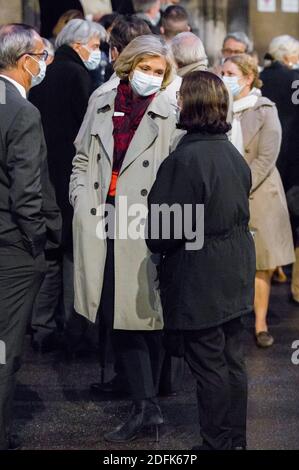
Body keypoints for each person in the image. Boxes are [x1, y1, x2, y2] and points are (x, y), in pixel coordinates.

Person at [70, 35, 178, 442]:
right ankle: (145, 402)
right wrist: (81, 198)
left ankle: (146, 403)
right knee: (120, 313)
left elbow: (175, 172)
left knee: (143, 315)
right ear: (128, 64)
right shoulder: (101, 99)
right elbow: (81, 157)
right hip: (103, 217)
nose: (150, 77)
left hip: (147, 223)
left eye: (158, 72)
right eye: (145, 68)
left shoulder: (170, 111)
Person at [146, 71, 256, 451]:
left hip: (201, 277)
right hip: (235, 269)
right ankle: (235, 440)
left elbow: (161, 233)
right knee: (232, 361)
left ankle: (215, 443)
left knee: (208, 365)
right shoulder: (231, 154)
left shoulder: (184, 160)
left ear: (188, 106)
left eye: (179, 98)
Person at [0, 23, 61, 450]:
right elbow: (27, 191)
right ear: (26, 62)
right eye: (42, 55)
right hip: (13, 247)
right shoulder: (23, 112)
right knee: (5, 347)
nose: (45, 62)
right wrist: (38, 240)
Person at [29, 19, 106, 352]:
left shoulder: (45, 71)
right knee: (73, 254)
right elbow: (86, 131)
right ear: (79, 45)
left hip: (45, 174)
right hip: (69, 175)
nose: (98, 52)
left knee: (49, 255)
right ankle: (75, 330)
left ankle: (42, 327)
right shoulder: (77, 75)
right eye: (95, 45)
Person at [222, 54, 295, 348]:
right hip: (225, 193)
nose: (224, 76)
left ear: (248, 77)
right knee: (229, 262)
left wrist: (239, 183)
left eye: (230, 72)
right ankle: (230, 319)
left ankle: (260, 323)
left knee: (260, 264)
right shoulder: (221, 106)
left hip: (258, 193)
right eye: (223, 70)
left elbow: (266, 157)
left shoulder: (265, 109)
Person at [260, 35, 299, 192]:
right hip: (291, 146)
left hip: (263, 145)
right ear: (287, 56)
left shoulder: (259, 77)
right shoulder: (295, 79)